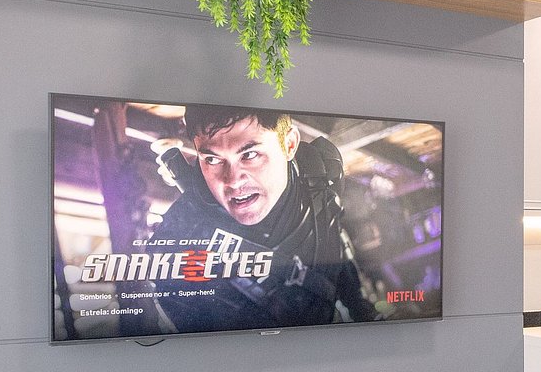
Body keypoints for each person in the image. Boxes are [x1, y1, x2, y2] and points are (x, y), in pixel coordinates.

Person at [147, 105, 380, 331]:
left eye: (249, 155)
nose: (233, 181)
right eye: (213, 159)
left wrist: (359, 307)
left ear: (289, 145)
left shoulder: (319, 174)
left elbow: (331, 232)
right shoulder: (177, 246)